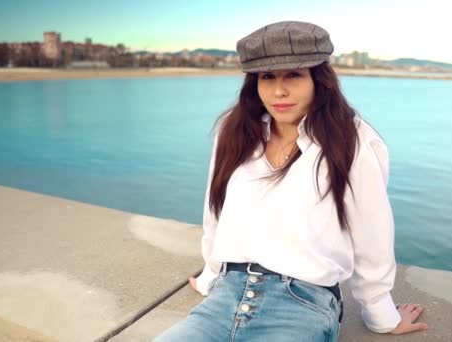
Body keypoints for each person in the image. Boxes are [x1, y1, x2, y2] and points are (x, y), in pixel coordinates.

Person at [155, 21, 428, 341]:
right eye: (267, 77)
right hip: (227, 294)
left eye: (293, 75)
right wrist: (210, 275)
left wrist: (381, 313)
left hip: (304, 302)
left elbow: (372, 234)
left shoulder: (351, 141)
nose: (279, 91)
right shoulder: (235, 131)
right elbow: (216, 211)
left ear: (318, 79)